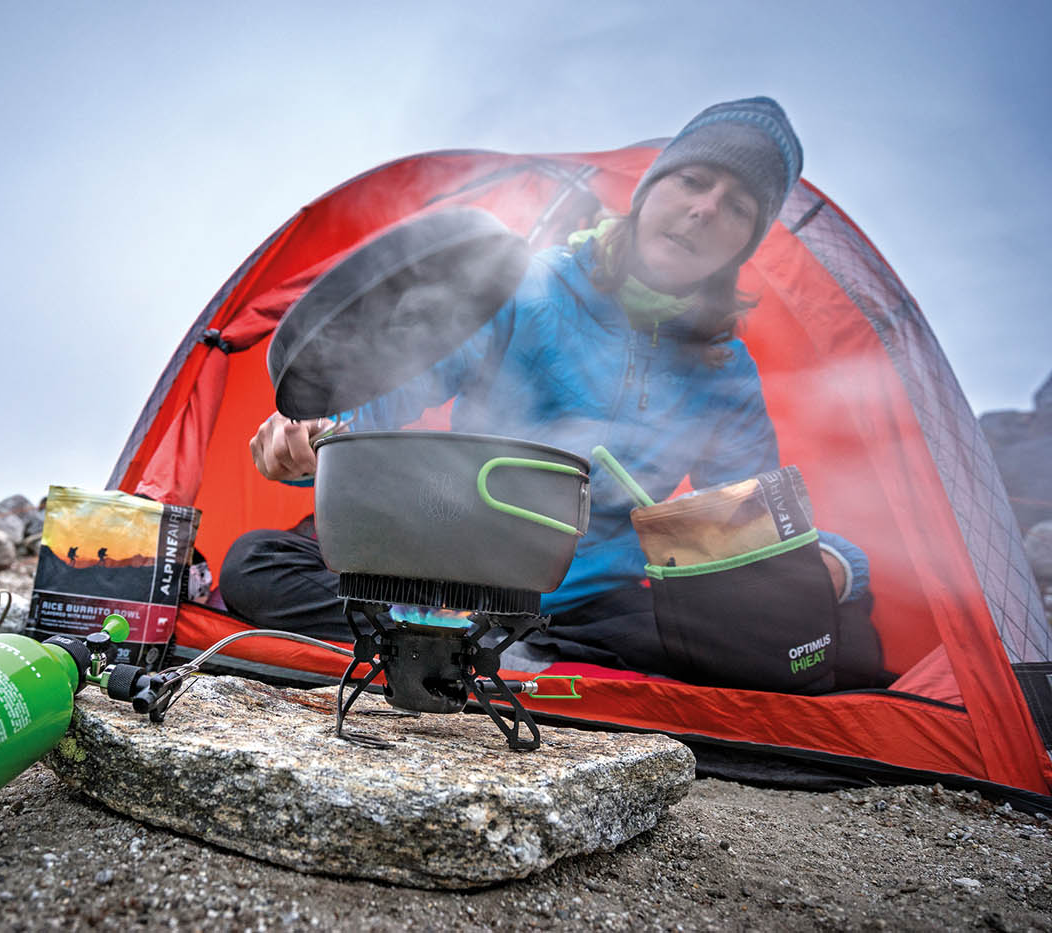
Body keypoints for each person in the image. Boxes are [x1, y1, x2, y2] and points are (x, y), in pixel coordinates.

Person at [219, 97, 886, 689]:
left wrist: (836, 562)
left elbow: (753, 533)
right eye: (693, 179)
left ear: (745, 241)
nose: (705, 208)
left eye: (738, 206)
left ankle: (468, 651)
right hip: (456, 566)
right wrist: (316, 440)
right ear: (651, 189)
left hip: (601, 601)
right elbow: (387, 396)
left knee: (845, 638)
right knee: (255, 562)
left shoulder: (725, 370)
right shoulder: (527, 287)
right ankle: (503, 650)